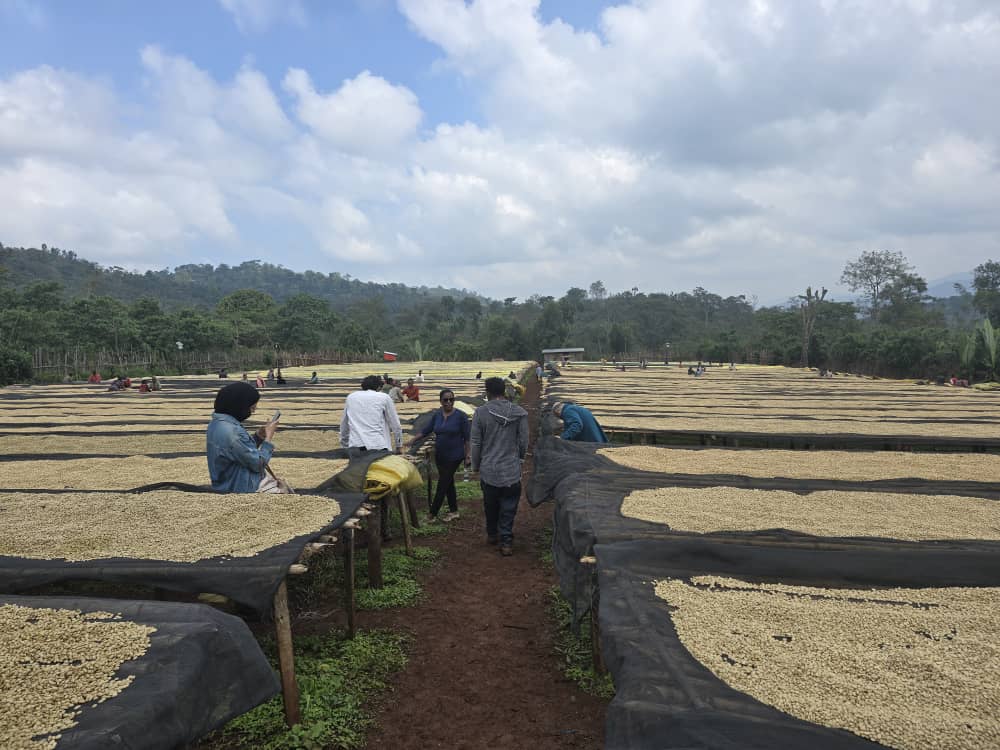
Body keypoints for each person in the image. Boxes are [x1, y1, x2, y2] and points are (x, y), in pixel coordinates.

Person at [340, 375, 403, 541]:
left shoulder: (351, 397)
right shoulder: (384, 398)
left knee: (357, 488)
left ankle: (354, 530)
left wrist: (345, 443)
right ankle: (383, 530)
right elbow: (395, 424)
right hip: (378, 449)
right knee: (382, 488)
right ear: (379, 387)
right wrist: (399, 446)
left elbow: (344, 424)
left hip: (356, 449)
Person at [471, 377, 528, 556]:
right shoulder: (519, 412)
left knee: (491, 504)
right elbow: (524, 441)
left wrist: (476, 464)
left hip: (489, 469)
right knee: (509, 506)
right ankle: (506, 541)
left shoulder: (481, 413)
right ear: (504, 391)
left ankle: (492, 534)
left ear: (487, 392)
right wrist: (519, 458)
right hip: (511, 470)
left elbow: (475, 442)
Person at [206, 382, 287, 493]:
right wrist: (268, 438)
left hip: (224, 483)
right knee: (286, 492)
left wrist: (258, 437)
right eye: (251, 408)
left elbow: (239, 452)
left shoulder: (216, 424)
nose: (253, 411)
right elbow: (258, 464)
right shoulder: (233, 432)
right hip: (240, 487)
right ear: (239, 406)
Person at [404, 389, 470, 523]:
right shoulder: (437, 415)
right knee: (448, 483)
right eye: (445, 400)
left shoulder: (461, 416)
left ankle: (432, 515)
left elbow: (467, 438)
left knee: (442, 484)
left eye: (451, 399)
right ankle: (454, 511)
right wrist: (412, 440)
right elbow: (426, 431)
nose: (449, 402)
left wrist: (468, 455)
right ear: (441, 401)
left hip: (455, 455)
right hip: (440, 455)